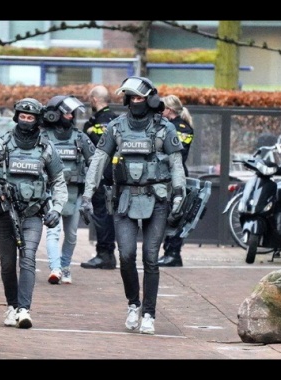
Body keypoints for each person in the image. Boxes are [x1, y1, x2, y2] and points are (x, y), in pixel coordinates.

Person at [79, 76, 187, 335]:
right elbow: (98, 160)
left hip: (158, 198)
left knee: (151, 258)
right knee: (126, 256)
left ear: (150, 99)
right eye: (132, 98)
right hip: (124, 198)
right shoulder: (116, 127)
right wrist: (87, 194)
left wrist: (179, 195)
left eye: (140, 98)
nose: (136, 102)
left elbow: (176, 165)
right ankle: (133, 304)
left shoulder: (165, 129)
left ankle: (149, 313)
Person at [0, 98, 68, 328]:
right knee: (7, 263)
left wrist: (57, 208)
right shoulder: (1, 144)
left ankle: (24, 309)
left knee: (28, 257)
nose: (25, 121)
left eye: (30, 117)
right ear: (16, 118)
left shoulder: (46, 148)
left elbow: (59, 181)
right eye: (22, 117)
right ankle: (12, 306)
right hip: (4, 212)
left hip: (33, 213)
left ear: (37, 120)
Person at [40, 95, 96, 284]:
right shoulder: (43, 137)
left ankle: (65, 266)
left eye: (72, 112)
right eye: (67, 112)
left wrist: (90, 192)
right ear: (55, 114)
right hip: (50, 192)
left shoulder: (80, 138)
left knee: (71, 235)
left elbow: (94, 162)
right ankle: (55, 268)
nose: (71, 116)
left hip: (75, 192)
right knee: (53, 232)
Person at [80, 85, 118, 270]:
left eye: (89, 98)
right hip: (112, 173)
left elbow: (95, 149)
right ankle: (106, 253)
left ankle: (105, 254)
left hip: (102, 175)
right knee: (107, 214)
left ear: (94, 99)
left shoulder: (98, 122)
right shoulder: (115, 119)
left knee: (102, 215)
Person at [158, 95, 195, 267]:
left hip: (176, 176)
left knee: (175, 215)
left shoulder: (179, 127)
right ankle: (169, 252)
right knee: (169, 214)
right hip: (171, 175)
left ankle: (173, 254)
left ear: (170, 110)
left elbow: (176, 154)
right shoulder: (177, 125)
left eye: (162, 108)